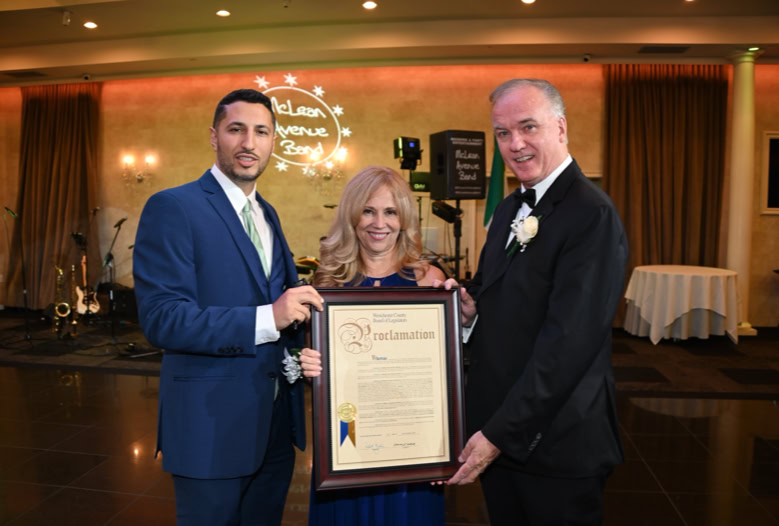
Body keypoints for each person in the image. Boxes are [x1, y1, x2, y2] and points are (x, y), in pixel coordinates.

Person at [437, 79, 629, 525]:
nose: (515, 144)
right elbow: (495, 292)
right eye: (503, 133)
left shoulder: (592, 214)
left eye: (528, 127)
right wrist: (469, 311)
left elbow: (569, 343)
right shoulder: (508, 209)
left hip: (557, 442)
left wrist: (500, 433)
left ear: (560, 128)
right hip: (501, 431)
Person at [133, 88, 323, 526]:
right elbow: (163, 319)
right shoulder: (173, 207)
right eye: (236, 129)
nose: (249, 143)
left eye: (262, 132)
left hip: (275, 426)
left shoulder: (267, 214)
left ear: (273, 142)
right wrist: (268, 317)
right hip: (210, 427)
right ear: (214, 136)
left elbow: (282, 311)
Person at [298, 165, 446, 526]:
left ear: (404, 218)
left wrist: (443, 447)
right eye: (368, 210)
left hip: (411, 452)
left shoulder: (429, 281)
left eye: (390, 211)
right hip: (346, 448)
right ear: (352, 215)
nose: (379, 223)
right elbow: (320, 367)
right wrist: (308, 364)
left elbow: (442, 378)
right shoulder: (329, 282)